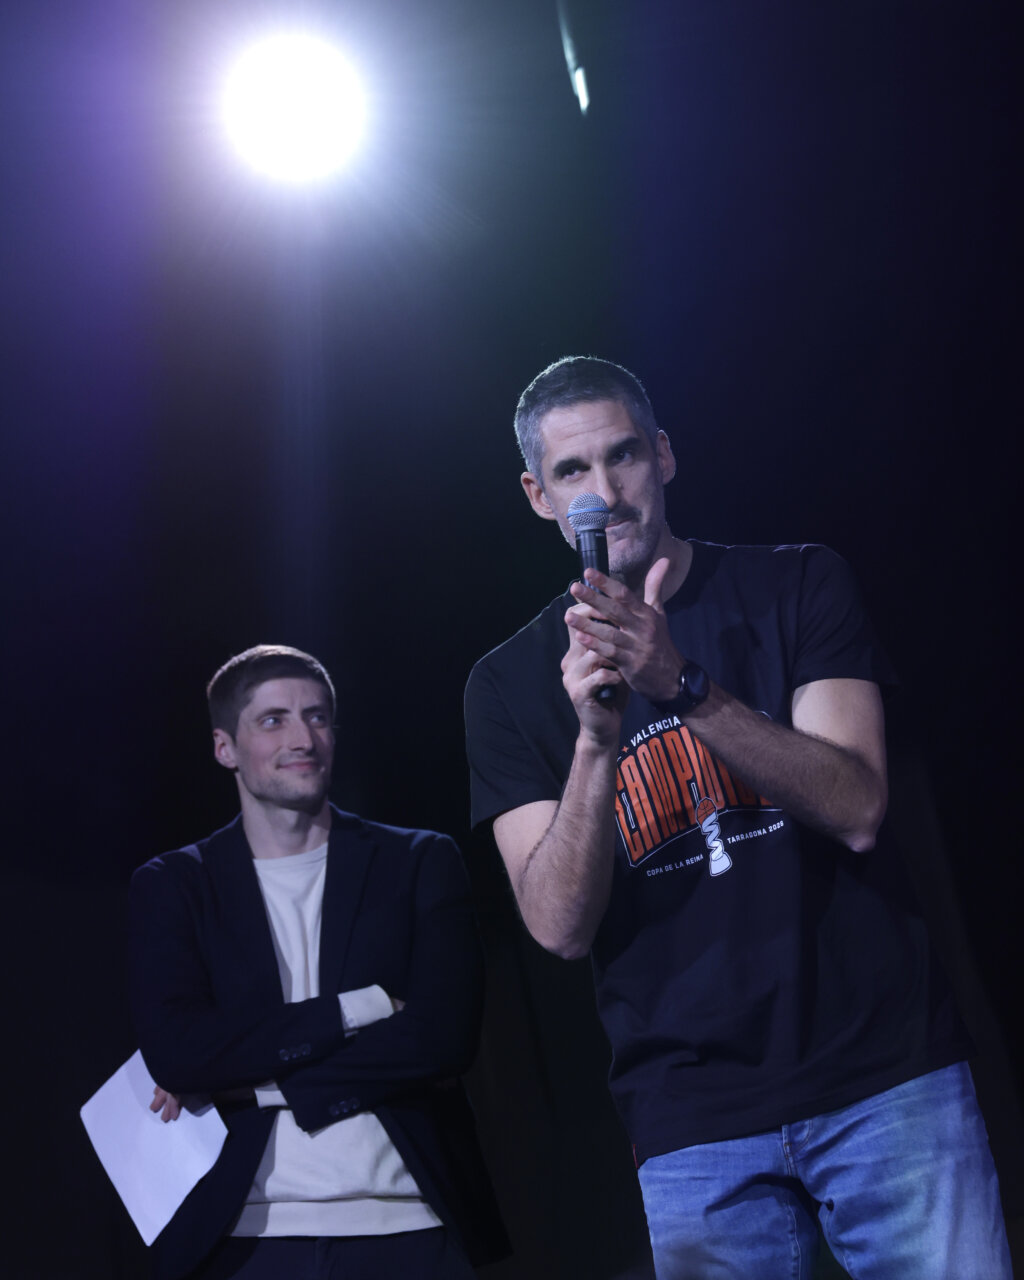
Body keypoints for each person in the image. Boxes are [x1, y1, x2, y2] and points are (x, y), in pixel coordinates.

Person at [464, 356, 1012, 1279]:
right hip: (694, 1124)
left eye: (624, 455)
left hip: (883, 1078)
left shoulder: (796, 586)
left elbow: (859, 806)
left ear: (666, 456)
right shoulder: (507, 687)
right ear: (537, 495)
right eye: (572, 473)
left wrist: (679, 685)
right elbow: (557, 926)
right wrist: (596, 742)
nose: (606, 491)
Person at [130, 644, 507, 1280]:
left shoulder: (419, 862)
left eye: (317, 716)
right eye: (273, 720)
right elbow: (179, 1053)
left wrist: (245, 1080)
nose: (302, 737)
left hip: (411, 1227)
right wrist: (365, 1007)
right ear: (226, 747)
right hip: (247, 1239)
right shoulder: (176, 884)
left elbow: (443, 1039)